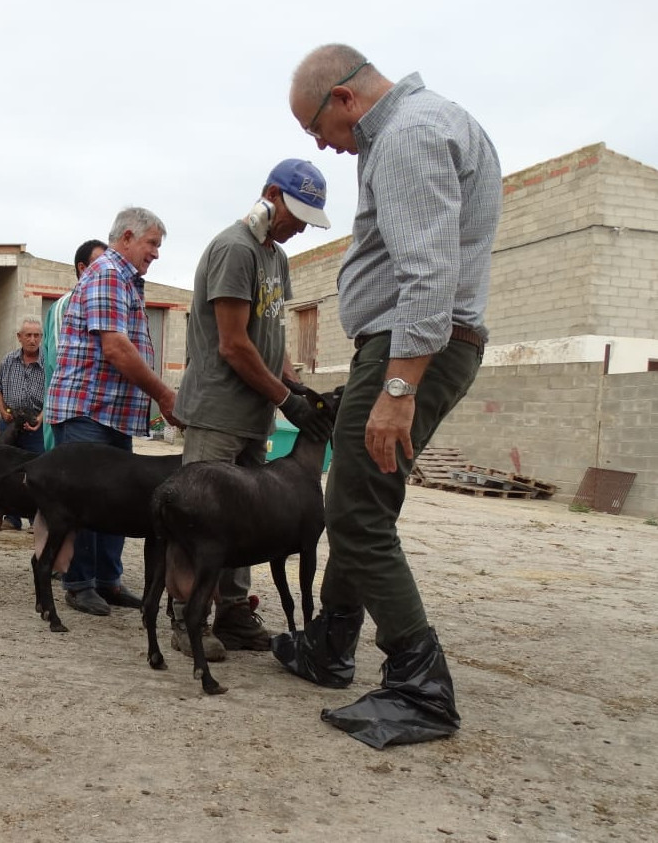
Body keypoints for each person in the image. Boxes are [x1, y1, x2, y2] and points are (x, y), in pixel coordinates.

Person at [271, 44, 502, 749]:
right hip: (421, 343)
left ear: (343, 99)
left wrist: (398, 384)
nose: (323, 146)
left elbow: (427, 271)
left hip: (411, 346)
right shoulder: (438, 123)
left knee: (355, 511)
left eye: (318, 130)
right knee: (362, 498)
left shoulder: (404, 136)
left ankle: (419, 684)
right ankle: (330, 644)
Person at [171, 159, 336, 662]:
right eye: (298, 212)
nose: (302, 226)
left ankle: (234, 612)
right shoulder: (233, 250)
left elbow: (272, 335)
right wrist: (285, 399)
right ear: (270, 193)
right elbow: (234, 345)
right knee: (200, 518)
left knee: (247, 522)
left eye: (311, 217)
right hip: (218, 411)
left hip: (254, 416)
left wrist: (293, 385)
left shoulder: (276, 258)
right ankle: (185, 617)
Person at [44, 207, 181, 616]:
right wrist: (164, 394)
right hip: (88, 409)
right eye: (152, 243)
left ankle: (108, 580)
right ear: (126, 237)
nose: (155, 253)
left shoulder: (126, 281)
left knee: (119, 500)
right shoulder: (106, 274)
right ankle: (80, 582)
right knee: (85, 500)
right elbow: (116, 348)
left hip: (111, 413)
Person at [41, 239, 107, 451]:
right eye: (100, 263)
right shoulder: (66, 305)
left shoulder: (104, 303)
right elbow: (60, 363)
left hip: (97, 417)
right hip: (72, 417)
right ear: (82, 268)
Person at [0, 316, 46, 529]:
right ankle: (11, 518)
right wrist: (4, 411)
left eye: (36, 335)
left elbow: (53, 393)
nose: (32, 340)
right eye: (28, 335)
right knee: (8, 471)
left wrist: (40, 419)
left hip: (36, 425)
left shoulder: (48, 362)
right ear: (20, 337)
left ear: (41, 337)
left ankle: (36, 519)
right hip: (10, 424)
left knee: (37, 471)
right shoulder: (8, 360)